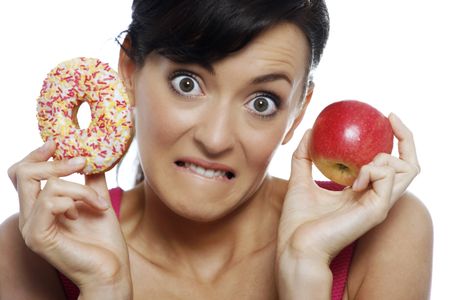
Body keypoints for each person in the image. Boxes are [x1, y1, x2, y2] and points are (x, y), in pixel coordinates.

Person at [0, 0, 433, 299]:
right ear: (129, 71)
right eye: (187, 83)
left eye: (262, 102)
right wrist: (105, 288)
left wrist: (305, 272)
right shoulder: (36, 246)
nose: (216, 138)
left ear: (297, 115)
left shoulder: (381, 234)